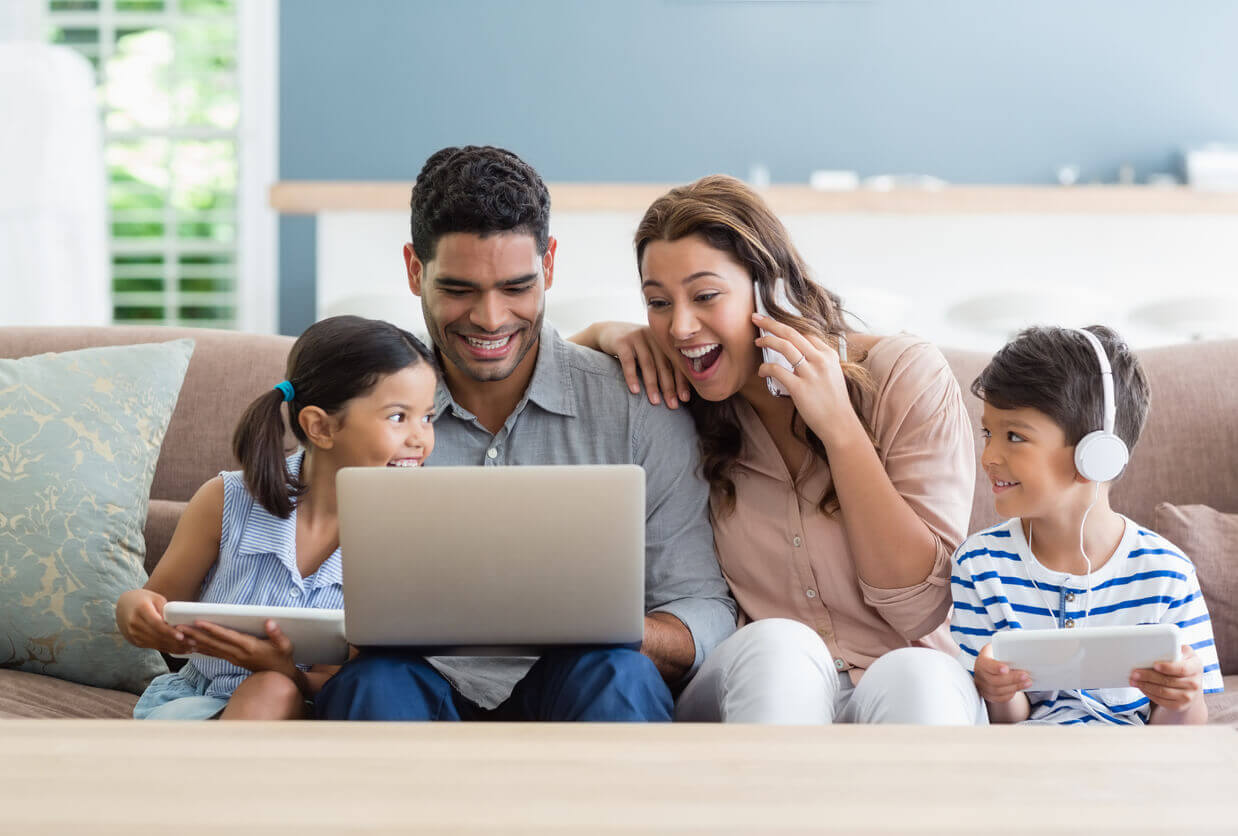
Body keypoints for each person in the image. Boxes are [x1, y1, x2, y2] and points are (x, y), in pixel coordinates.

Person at [312, 147, 736, 723]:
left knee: (619, 671)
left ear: (550, 265)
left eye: (516, 287)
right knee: (371, 685)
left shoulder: (639, 407)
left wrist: (607, 625)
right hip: (411, 682)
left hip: (580, 681)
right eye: (459, 289)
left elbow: (705, 610)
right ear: (415, 271)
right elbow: (293, 573)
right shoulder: (354, 408)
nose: (490, 318)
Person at [571, 175, 983, 724]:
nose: (681, 326)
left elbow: (917, 608)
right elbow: (538, 385)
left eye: (705, 295)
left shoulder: (902, 377)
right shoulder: (677, 396)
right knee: (781, 647)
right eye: (658, 302)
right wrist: (600, 333)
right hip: (759, 682)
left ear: (772, 291)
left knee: (920, 675)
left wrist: (840, 429)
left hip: (901, 674)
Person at [117, 316, 439, 720]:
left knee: (271, 688)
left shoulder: (404, 539)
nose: (420, 438)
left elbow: (346, 680)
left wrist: (282, 671)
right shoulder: (225, 499)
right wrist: (135, 612)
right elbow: (155, 602)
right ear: (320, 427)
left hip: (309, 709)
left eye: (428, 417)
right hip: (194, 705)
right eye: (398, 417)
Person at [951, 325, 1223, 725]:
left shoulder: (1167, 572)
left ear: (1097, 455)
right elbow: (1002, 724)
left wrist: (1181, 699)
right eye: (988, 432)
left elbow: (1178, 733)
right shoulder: (979, 564)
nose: (989, 455)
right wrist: (998, 693)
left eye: (1014, 436)